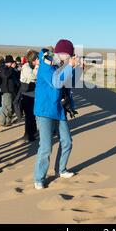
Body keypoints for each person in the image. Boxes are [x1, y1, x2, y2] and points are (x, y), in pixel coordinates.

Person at [33, 39, 80, 190]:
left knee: (67, 142)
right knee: (46, 147)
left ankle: (61, 169)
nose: (70, 57)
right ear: (62, 53)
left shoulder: (62, 66)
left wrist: (77, 69)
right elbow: (56, 83)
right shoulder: (46, 64)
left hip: (58, 110)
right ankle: (39, 178)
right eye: (69, 55)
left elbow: (68, 84)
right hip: (45, 111)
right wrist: (69, 66)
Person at [19, 50, 39, 142]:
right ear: (33, 59)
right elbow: (33, 77)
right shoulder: (26, 67)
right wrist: (37, 67)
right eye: (37, 58)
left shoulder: (34, 66)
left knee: (32, 116)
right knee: (29, 116)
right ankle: (28, 135)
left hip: (34, 94)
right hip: (27, 95)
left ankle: (33, 132)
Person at [0, 55, 19, 127]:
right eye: (12, 62)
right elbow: (6, 75)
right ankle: (4, 122)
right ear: (9, 62)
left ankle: (5, 121)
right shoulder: (3, 68)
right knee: (8, 107)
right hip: (7, 90)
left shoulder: (9, 68)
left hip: (11, 90)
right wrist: (11, 68)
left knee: (7, 107)